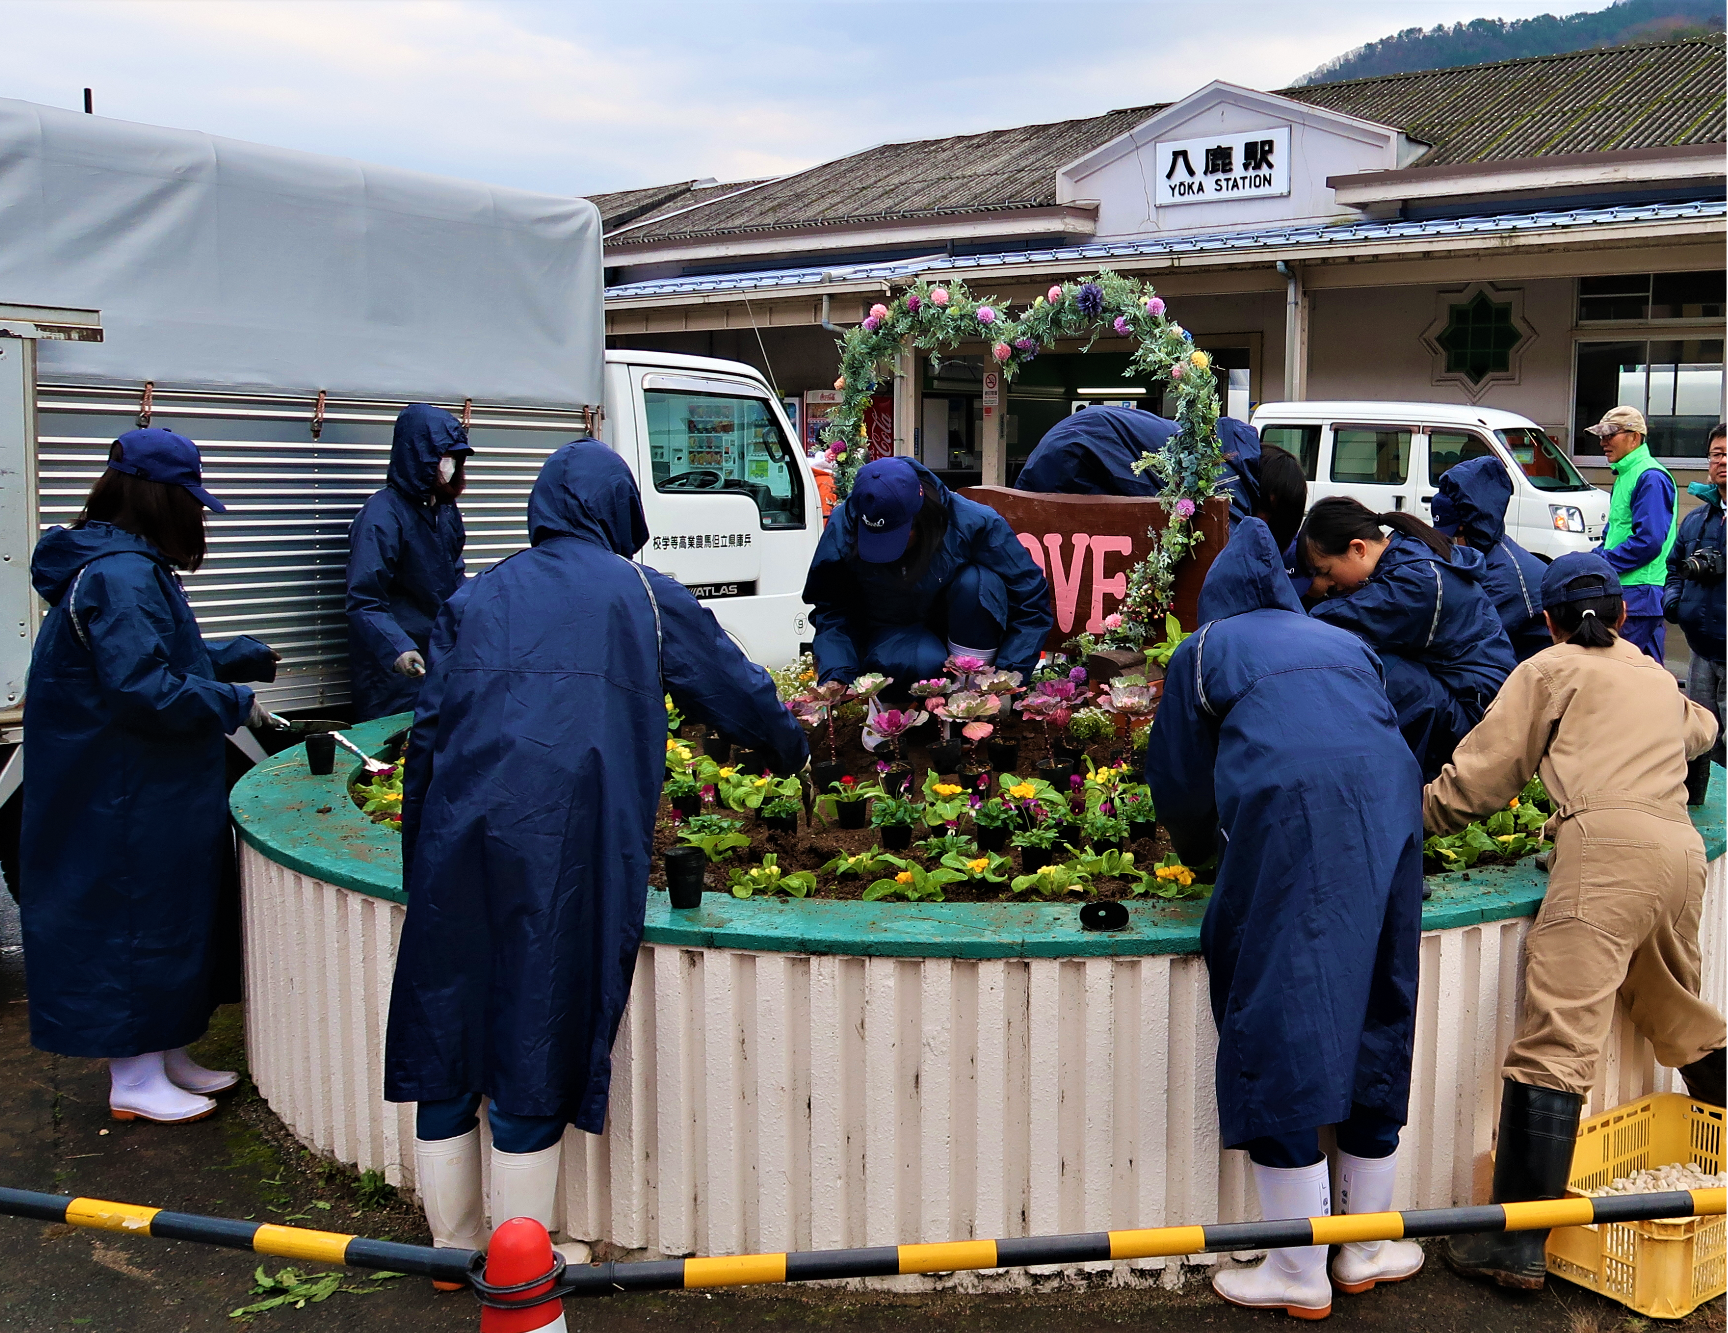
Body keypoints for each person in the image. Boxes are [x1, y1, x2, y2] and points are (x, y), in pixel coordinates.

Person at [385, 441, 808, 1272]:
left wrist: (422, 860)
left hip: (456, 833)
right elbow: (737, 689)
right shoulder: (645, 598)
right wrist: (791, 749)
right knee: (537, 1025)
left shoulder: (476, 596)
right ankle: (521, 1260)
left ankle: (452, 1250)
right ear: (620, 512)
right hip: (565, 844)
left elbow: (425, 734)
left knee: (451, 1023)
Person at [1146, 518, 1426, 1320]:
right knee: (1380, 999)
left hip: (1291, 821)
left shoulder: (1204, 650)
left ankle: (1298, 1268)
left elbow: (1182, 782)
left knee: (1278, 1010)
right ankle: (1366, 1246)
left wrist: (1203, 855)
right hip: (1392, 818)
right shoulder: (1340, 640)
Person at [1423, 553, 1724, 1292]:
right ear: (1623, 616)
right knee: (1672, 1008)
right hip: (1680, 854)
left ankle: (1512, 1243)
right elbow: (1704, 728)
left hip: (1605, 853)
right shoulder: (1654, 673)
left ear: (1549, 621)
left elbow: (1484, 779)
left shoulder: (1549, 668)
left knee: (1557, 1035)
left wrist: (1410, 819)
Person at [21, 428, 277, 1124]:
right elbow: (143, 686)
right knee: (132, 922)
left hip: (138, 786)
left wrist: (232, 656)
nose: (196, 517)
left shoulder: (118, 564)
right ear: (159, 499)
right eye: (190, 502)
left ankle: (161, 1052)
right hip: (123, 793)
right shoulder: (120, 574)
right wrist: (233, 698)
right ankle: (132, 1077)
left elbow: (156, 655)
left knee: (164, 916)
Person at [1299, 496, 1516, 776]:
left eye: (1326, 572)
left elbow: (1327, 627)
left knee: (1368, 662)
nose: (1327, 585)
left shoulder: (1414, 583)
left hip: (1476, 716)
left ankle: (1393, 779)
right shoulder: (1406, 552)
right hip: (1473, 696)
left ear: (1357, 549)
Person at [803, 455, 1051, 692]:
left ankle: (973, 694)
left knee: (977, 582)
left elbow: (1030, 598)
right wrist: (837, 673)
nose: (888, 550)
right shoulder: (843, 526)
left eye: (896, 536)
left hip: (965, 629)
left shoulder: (974, 522)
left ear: (921, 514)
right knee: (923, 660)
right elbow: (832, 608)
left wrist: (1008, 675)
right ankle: (895, 708)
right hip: (892, 634)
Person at [346, 403, 471, 723]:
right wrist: (397, 648)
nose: (451, 466)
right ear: (419, 456)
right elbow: (364, 599)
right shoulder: (382, 515)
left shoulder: (444, 511)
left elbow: (456, 576)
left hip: (440, 663)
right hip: (394, 679)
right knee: (393, 763)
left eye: (456, 458)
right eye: (445, 457)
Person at [1016, 406, 1280, 531]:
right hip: (1077, 453)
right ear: (1272, 500)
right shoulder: (1228, 482)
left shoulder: (1226, 452)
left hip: (1076, 441)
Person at [1430, 455, 1549, 661]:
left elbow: (1467, 639)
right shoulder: (1488, 553)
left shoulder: (1508, 576)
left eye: (1452, 536)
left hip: (1526, 671)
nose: (1448, 544)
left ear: (1473, 525)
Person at [1588, 405, 1679, 663]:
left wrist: (1602, 564)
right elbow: (1615, 531)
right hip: (1633, 591)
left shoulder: (1650, 476)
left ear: (1634, 437)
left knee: (1622, 668)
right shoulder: (1626, 474)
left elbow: (1649, 542)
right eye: (1601, 436)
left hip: (1639, 591)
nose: (1603, 442)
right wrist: (1592, 560)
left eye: (1610, 434)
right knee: (1646, 669)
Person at [1665, 423, 1726, 798]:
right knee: (1703, 739)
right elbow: (1674, 567)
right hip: (1701, 651)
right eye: (1717, 454)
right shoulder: (1697, 519)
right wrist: (1674, 605)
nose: (1722, 461)